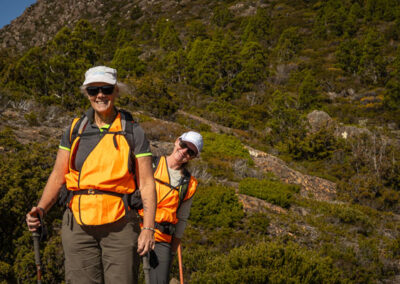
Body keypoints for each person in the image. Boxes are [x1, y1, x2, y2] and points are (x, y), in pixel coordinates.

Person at [26, 66, 156, 284]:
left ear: (116, 91)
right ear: (86, 93)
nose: (100, 95)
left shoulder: (133, 131)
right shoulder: (75, 129)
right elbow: (58, 175)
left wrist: (149, 228)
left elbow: (146, 183)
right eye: (93, 90)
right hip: (77, 224)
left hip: (121, 223)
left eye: (106, 89)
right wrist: (40, 209)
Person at [139, 131, 203, 284]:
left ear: (193, 157)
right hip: (135, 228)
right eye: (183, 145)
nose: (184, 152)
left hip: (161, 238)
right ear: (176, 142)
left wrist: (172, 251)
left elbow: (181, 219)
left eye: (190, 152)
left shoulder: (189, 184)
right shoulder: (149, 163)